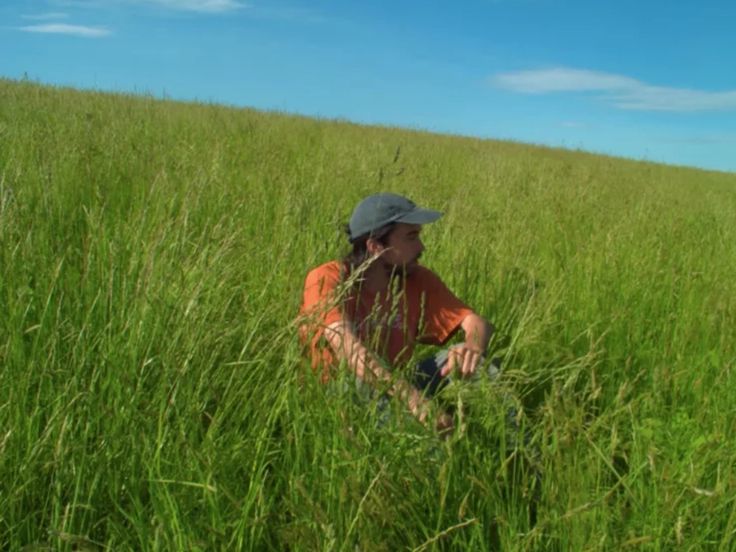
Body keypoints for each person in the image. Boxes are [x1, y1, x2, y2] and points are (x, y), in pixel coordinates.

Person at [298, 193, 494, 434]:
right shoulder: (328, 278)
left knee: (478, 366)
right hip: (342, 391)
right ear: (375, 246)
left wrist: (472, 348)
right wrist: (414, 400)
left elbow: (475, 322)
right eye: (411, 237)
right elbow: (350, 352)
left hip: (399, 382)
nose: (422, 247)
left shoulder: (417, 279)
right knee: (371, 393)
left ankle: (522, 459)